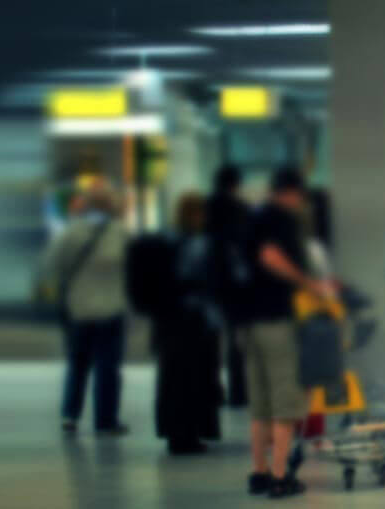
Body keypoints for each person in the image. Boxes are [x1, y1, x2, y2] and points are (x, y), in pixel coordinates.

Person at [242, 169, 325, 499]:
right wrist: (308, 283)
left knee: (261, 403)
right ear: (292, 193)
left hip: (249, 321)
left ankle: (258, 472)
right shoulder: (281, 219)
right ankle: (280, 476)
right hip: (278, 320)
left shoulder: (252, 217)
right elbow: (271, 256)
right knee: (285, 402)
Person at [135, 193, 222, 455]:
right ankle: (189, 434)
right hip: (193, 319)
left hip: (167, 320)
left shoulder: (165, 240)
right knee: (193, 377)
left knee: (172, 378)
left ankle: (176, 432)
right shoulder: (198, 244)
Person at [39, 185, 130, 436]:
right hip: (111, 307)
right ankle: (106, 420)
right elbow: (132, 267)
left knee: (77, 362)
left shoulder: (71, 231)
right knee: (108, 367)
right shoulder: (120, 233)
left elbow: (53, 263)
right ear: (111, 205)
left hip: (78, 308)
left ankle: (70, 415)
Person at [205, 164, 252, 408]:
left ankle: (213, 390)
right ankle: (238, 392)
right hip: (235, 284)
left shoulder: (205, 208)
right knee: (236, 339)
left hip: (209, 282)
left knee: (211, 340)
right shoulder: (240, 209)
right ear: (235, 184)